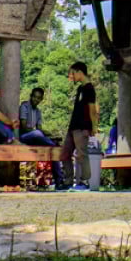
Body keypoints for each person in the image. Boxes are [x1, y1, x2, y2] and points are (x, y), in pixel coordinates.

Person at [60, 61, 98, 192]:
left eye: (73, 73)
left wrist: (94, 127)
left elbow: (92, 110)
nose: (71, 76)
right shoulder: (80, 89)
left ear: (80, 72)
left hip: (82, 127)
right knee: (65, 154)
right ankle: (68, 180)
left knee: (82, 154)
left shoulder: (89, 89)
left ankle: (84, 181)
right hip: (73, 127)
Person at [18, 88, 64, 188]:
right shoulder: (24, 106)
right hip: (24, 137)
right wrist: (39, 132)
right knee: (39, 135)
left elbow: (40, 128)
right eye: (34, 97)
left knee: (54, 149)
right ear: (31, 96)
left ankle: (59, 180)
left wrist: (50, 134)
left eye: (39, 98)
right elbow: (24, 127)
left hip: (35, 137)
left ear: (41, 99)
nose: (36, 100)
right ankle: (51, 143)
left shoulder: (38, 112)